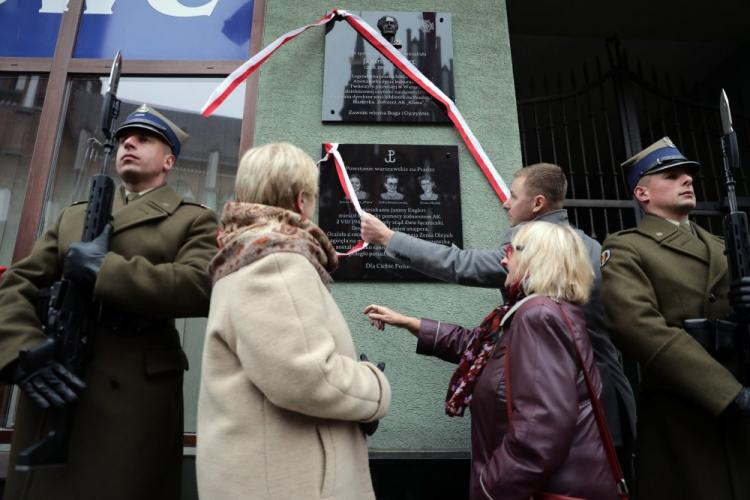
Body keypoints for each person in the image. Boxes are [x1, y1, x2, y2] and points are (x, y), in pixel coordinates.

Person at [0, 104, 218, 500]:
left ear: (169, 160)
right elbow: (16, 285)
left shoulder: (193, 220)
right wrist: (23, 351)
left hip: (132, 399)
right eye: (122, 139)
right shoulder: (73, 217)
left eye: (144, 138)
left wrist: (106, 270)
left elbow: (201, 285)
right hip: (58, 383)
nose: (128, 143)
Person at [361, 162, 636, 476]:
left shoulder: (540, 261)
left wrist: (387, 237)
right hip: (593, 413)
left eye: (513, 196)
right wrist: (412, 323)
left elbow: (460, 264)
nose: (505, 202)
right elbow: (490, 342)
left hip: (576, 425)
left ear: (537, 204)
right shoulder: (584, 244)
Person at [365, 221, 619, 499]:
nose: (502, 258)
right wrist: (408, 322)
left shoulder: (539, 315)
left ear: (537, 258)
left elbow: (540, 429)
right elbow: (484, 349)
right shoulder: (536, 308)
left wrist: (490, 488)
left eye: (511, 250)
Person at [196, 142, 391, 500]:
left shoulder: (247, 251)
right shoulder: (275, 260)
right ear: (302, 201)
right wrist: (375, 387)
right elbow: (305, 377)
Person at [600, 137, 750, 500]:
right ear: (642, 193)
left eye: (689, 175)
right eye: (671, 175)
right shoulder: (625, 248)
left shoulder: (725, 244)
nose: (687, 180)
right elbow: (637, 326)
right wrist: (728, 394)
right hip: (682, 413)